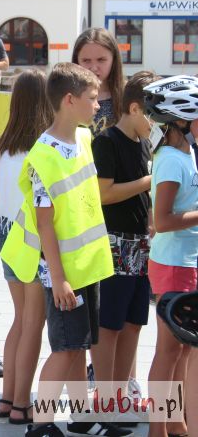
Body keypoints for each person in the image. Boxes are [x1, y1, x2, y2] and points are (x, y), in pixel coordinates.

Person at [1, 63, 122, 437]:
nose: (98, 105)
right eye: (92, 98)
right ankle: (41, 424)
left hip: (85, 266)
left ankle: (83, 418)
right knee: (65, 349)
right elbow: (45, 223)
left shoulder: (84, 138)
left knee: (78, 345)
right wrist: (58, 278)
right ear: (69, 100)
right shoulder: (43, 156)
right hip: (63, 272)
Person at [88, 71, 155, 423]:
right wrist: (150, 180)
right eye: (153, 114)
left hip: (140, 245)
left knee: (133, 323)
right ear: (134, 108)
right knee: (109, 324)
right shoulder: (107, 141)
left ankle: (123, 392)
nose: (156, 124)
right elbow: (104, 194)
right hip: (114, 244)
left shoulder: (144, 143)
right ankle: (105, 396)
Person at [0, 70, 52, 424]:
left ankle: (7, 398)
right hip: (34, 237)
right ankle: (21, 404)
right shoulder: (44, 148)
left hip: (6, 234)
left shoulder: (3, 147)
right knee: (33, 322)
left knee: (20, 318)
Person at [143, 75, 198, 437]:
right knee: (168, 351)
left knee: (184, 350)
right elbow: (161, 221)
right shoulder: (171, 161)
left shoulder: (187, 153)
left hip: (187, 262)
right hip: (174, 265)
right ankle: (157, 429)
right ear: (181, 121)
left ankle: (176, 424)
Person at [72, 27, 126, 136]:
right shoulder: (68, 96)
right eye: (86, 60)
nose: (94, 68)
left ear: (113, 60)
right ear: (77, 61)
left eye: (101, 60)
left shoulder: (128, 94)